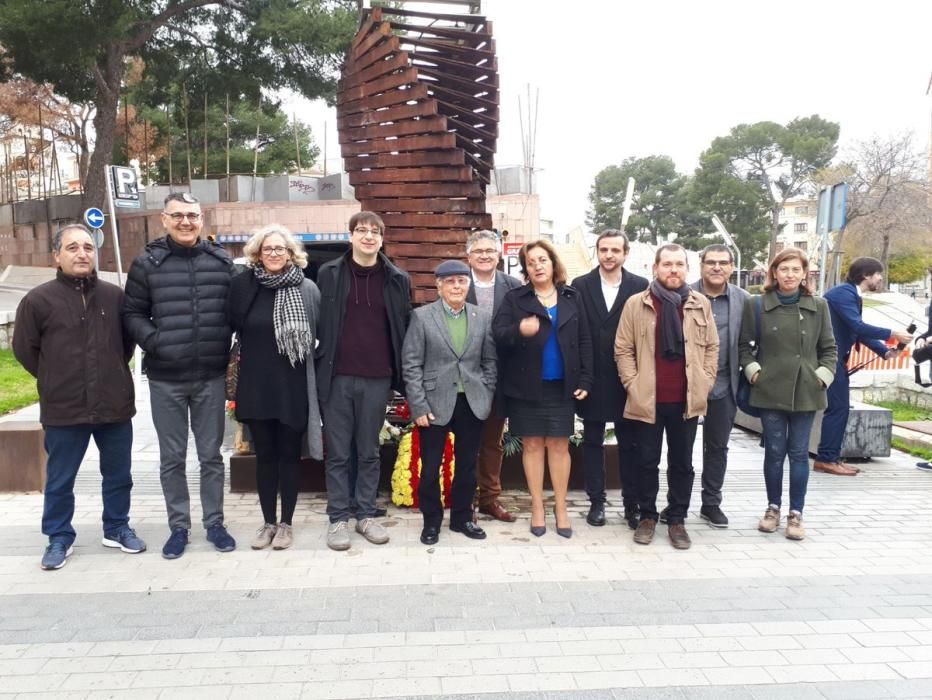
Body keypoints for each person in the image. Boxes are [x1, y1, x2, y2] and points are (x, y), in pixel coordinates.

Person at [13, 224, 144, 570]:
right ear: (56, 256)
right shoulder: (38, 300)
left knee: (119, 474)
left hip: (114, 405)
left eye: (87, 246)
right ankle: (59, 536)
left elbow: (125, 346)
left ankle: (116, 527)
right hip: (64, 408)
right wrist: (55, 378)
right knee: (60, 478)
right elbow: (26, 351)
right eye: (72, 248)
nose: (82, 253)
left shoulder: (114, 297)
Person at [123, 192, 236, 559]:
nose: (186, 222)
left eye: (192, 215)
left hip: (210, 375)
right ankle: (179, 527)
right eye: (178, 216)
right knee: (172, 458)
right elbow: (133, 314)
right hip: (165, 377)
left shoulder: (221, 261)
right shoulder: (147, 263)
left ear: (201, 219)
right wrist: (156, 342)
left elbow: (237, 309)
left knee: (211, 457)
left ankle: (215, 523)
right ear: (164, 219)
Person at [316, 211, 411, 551]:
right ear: (351, 236)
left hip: (377, 377)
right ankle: (338, 518)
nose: (368, 236)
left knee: (369, 451)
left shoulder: (397, 278)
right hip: (337, 376)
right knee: (339, 453)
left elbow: (403, 326)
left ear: (382, 238)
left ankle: (366, 514)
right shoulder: (329, 274)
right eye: (362, 230)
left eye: (375, 231)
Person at [614, 243, 718, 550]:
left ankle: (677, 520)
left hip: (685, 400)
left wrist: (706, 380)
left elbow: (712, 346)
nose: (673, 270)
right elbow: (623, 348)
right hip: (648, 399)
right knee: (646, 461)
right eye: (667, 264)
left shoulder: (700, 303)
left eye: (679, 264)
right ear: (655, 269)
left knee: (682, 463)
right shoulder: (637, 304)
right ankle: (648, 516)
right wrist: (633, 383)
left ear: (687, 269)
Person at [226, 224, 322, 551]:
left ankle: (286, 524)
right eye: (268, 249)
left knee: (289, 457)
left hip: (292, 385)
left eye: (280, 249)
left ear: (291, 254)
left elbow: (318, 334)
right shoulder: (243, 286)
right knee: (264, 456)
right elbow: (232, 325)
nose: (274, 254)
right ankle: (267, 522)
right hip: (256, 385)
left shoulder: (306, 287)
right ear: (257, 253)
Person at [492, 240, 592, 538]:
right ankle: (537, 506)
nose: (537, 265)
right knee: (533, 445)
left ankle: (560, 507)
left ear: (553, 263)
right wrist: (518, 331)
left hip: (563, 386)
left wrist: (586, 380)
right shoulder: (515, 298)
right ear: (526, 268)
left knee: (559, 446)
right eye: (531, 261)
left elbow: (585, 340)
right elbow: (498, 335)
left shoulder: (573, 297)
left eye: (542, 260)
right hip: (526, 386)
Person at [739, 247, 837, 541]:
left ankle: (796, 513)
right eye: (784, 269)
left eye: (796, 270)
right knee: (774, 452)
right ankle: (772, 508)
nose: (790, 275)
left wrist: (821, 378)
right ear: (774, 273)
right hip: (769, 388)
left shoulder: (818, 306)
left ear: (805, 273)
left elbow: (829, 350)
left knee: (798, 454)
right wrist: (754, 371)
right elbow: (744, 347)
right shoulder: (757, 304)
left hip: (806, 390)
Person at [402, 260, 497, 544]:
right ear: (439, 285)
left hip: (471, 401)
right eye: (451, 281)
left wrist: (487, 392)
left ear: (468, 285)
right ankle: (431, 522)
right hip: (433, 403)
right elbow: (411, 364)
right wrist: (418, 405)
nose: (457, 286)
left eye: (462, 281)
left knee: (467, 465)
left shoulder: (481, 317)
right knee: (430, 466)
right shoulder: (421, 317)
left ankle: (462, 518)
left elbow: (490, 360)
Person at [571, 229, 648, 529]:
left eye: (615, 250)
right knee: (592, 442)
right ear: (597, 253)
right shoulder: (580, 285)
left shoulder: (640, 285)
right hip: (593, 376)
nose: (609, 255)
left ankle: (632, 504)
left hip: (628, 378)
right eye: (603, 249)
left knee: (631, 444)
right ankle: (597, 502)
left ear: (625, 253)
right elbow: (577, 333)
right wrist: (581, 377)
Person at [814, 257, 912, 475]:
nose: (880, 278)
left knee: (838, 408)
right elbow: (857, 325)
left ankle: (829, 457)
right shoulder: (843, 293)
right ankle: (826, 459)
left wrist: (885, 352)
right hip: (827, 359)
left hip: (833, 359)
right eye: (878, 274)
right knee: (837, 409)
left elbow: (856, 331)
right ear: (866, 275)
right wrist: (892, 333)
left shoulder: (850, 294)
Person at [680, 243, 750, 528]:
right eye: (711, 262)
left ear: (732, 267)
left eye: (723, 263)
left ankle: (711, 503)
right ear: (701, 265)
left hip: (724, 384)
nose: (717, 268)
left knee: (717, 447)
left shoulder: (744, 300)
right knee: (681, 448)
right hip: (687, 384)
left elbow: (750, 341)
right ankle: (678, 504)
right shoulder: (683, 295)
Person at [464, 229, 521, 522]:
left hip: (500, 376)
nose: (485, 256)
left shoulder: (513, 286)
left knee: (492, 442)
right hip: (465, 376)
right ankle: (466, 500)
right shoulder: (458, 284)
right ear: (468, 256)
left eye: (490, 251)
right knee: (467, 441)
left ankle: (489, 498)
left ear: (499, 255)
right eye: (478, 251)